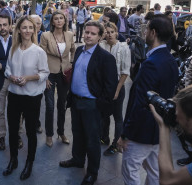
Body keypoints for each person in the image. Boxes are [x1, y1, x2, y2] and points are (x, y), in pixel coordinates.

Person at [117, 15, 178, 185]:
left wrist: (125, 134)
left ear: (153, 32)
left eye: (147, 29)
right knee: (154, 171)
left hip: (141, 131)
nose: (144, 33)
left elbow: (141, 102)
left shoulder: (152, 62)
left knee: (130, 170)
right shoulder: (170, 59)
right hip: (158, 129)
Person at [59, 21, 118, 185]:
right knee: (77, 133)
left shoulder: (106, 58)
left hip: (92, 105)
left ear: (100, 37)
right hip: (76, 101)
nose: (88, 36)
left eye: (92, 34)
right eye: (86, 32)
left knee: (92, 140)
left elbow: (110, 86)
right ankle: (77, 160)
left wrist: (101, 106)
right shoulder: (78, 51)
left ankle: (92, 172)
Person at [3, 15, 49, 180]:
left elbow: (45, 73)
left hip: (31, 98)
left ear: (34, 30)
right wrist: (13, 77)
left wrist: (28, 78)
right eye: (24, 27)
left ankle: (29, 162)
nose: (28, 31)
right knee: (13, 130)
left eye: (31, 28)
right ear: (19, 30)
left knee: (30, 131)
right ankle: (13, 159)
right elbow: (7, 69)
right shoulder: (13, 49)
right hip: (14, 95)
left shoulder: (39, 52)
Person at [0, 14, 23, 151]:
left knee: (16, 111)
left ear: (10, 25)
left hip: (14, 82)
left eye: (5, 24)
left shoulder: (17, 42)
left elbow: (19, 62)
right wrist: (7, 64)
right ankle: (1, 136)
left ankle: (17, 135)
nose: (2, 28)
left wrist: (1, 65)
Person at [40, 10, 75, 147]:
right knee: (49, 106)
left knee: (62, 104)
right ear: (52, 21)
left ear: (65, 21)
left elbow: (73, 50)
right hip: (49, 73)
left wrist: (71, 63)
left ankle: (61, 132)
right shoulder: (46, 35)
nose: (59, 20)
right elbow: (41, 55)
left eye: (61, 18)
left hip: (64, 73)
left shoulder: (70, 35)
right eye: (56, 18)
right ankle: (49, 135)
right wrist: (44, 76)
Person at [99, 22, 130, 155]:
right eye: (107, 32)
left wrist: (117, 90)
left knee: (117, 117)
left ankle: (115, 144)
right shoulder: (101, 46)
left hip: (117, 86)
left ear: (117, 33)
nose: (110, 34)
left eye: (112, 32)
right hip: (103, 87)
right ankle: (104, 137)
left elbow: (125, 72)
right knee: (104, 115)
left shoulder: (123, 48)